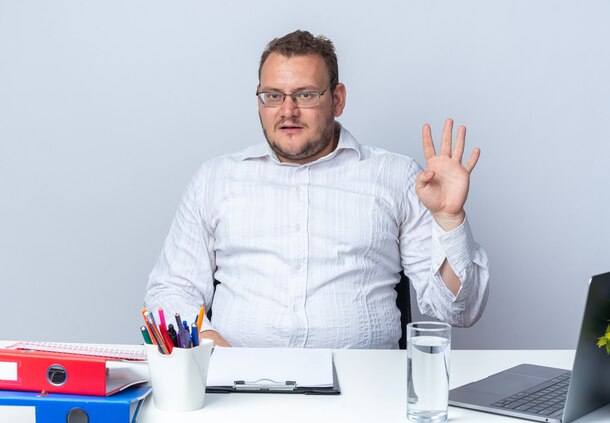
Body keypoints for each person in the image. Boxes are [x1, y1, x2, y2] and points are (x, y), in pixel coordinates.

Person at [145, 30, 489, 349]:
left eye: (306, 95)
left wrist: (449, 218)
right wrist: (208, 343)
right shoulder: (215, 179)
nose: (287, 111)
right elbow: (171, 289)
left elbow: (459, 311)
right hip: (236, 390)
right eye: (273, 96)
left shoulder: (396, 177)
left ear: (337, 99)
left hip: (366, 393)